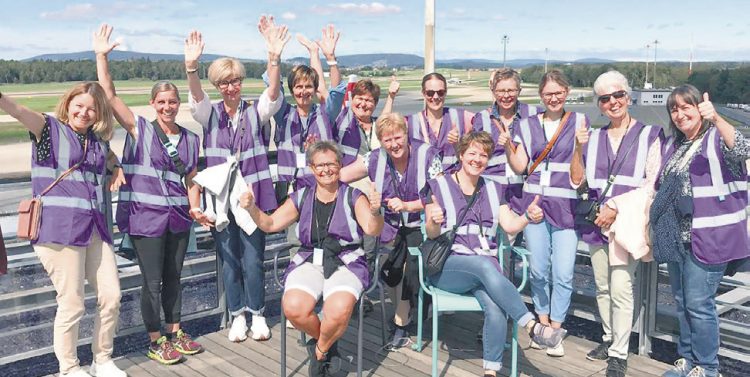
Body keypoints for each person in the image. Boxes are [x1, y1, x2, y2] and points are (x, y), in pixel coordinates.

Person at [94, 24, 203, 364]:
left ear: (178, 103)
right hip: (146, 220)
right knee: (152, 281)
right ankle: (156, 339)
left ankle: (175, 331)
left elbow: (192, 181)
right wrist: (102, 57)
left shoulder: (190, 139)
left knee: (175, 278)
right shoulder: (140, 129)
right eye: (162, 102)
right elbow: (109, 96)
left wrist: (196, 208)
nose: (168, 107)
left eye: (173, 101)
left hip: (180, 220)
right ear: (152, 103)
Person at [0, 83, 126, 377]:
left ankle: (102, 359)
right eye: (79, 105)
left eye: (91, 108)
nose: (84, 112)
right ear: (68, 104)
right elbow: (17, 111)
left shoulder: (95, 141)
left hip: (93, 228)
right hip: (58, 230)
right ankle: (69, 368)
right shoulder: (47, 129)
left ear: (98, 114)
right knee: (72, 302)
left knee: (112, 295)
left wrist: (117, 166)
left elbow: (108, 157)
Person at [422, 131, 567, 377]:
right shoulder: (438, 185)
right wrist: (434, 221)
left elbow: (509, 225)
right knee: (484, 265)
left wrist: (527, 218)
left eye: (483, 155)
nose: (477, 159)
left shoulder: (492, 188)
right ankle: (532, 326)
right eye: (472, 153)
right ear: (461, 155)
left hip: (483, 271)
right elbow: (432, 233)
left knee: (496, 307)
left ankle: (491, 371)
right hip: (447, 267)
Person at [184, 16, 290, 342]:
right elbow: (196, 97)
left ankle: (258, 313)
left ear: (242, 82)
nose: (231, 88)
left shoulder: (254, 112)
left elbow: (273, 94)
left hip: (251, 197)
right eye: (224, 83)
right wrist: (191, 68)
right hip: (221, 200)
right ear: (218, 86)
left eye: (236, 81)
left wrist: (273, 59)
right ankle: (237, 314)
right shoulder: (209, 114)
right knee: (229, 260)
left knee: (254, 258)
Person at [240, 141, 384, 377]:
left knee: (337, 310)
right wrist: (252, 208)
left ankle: (319, 352)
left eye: (332, 164)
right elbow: (270, 224)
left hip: (346, 260)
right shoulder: (302, 195)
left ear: (340, 165)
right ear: (311, 168)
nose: (326, 169)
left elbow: (372, 228)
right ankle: (328, 343)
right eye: (320, 165)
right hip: (310, 259)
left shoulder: (354, 196)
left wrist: (376, 212)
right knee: (293, 308)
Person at [569, 71, 664, 377]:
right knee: (601, 286)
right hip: (597, 223)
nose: (613, 102)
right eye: (605, 98)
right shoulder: (594, 137)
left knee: (622, 287)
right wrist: (578, 147)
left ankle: (619, 353)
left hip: (627, 223)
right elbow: (577, 180)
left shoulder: (651, 135)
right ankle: (609, 338)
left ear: (629, 96)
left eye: (618, 95)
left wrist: (615, 206)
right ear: (599, 103)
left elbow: (653, 184)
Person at [653, 85, 750, 377]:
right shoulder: (675, 145)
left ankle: (708, 367)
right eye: (674, 109)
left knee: (699, 303)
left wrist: (718, 119)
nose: (680, 114)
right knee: (683, 302)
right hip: (678, 238)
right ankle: (687, 360)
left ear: (699, 108)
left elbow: (742, 149)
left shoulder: (715, 139)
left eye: (686, 107)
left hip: (710, 237)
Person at [339, 112, 442, 349]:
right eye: (387, 140)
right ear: (381, 142)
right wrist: (359, 202)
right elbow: (341, 176)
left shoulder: (427, 155)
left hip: (423, 226)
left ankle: (401, 322)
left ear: (407, 134)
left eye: (398, 137)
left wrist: (409, 205)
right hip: (392, 227)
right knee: (391, 271)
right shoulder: (373, 159)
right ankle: (402, 315)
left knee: (410, 270)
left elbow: (440, 196)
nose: (394, 144)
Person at [506, 69, 589, 356]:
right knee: (540, 270)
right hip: (535, 205)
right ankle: (542, 324)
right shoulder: (527, 125)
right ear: (540, 96)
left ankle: (556, 328)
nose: (553, 98)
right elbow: (520, 166)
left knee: (564, 272)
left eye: (558, 92)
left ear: (566, 92)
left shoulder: (578, 121)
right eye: (547, 93)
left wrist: (579, 147)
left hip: (566, 208)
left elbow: (579, 176)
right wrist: (507, 144)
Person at [268, 20, 346, 193]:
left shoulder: (325, 114)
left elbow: (338, 92)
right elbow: (273, 88)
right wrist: (274, 56)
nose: (303, 91)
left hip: (321, 186)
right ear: (292, 89)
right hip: (288, 188)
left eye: (308, 86)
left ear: (315, 89)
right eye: (298, 87)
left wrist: (331, 59)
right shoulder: (284, 113)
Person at [472, 68, 542, 215]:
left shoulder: (534, 115)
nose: (506, 96)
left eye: (511, 90)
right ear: (493, 91)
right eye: (500, 91)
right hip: (492, 193)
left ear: (519, 90)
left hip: (525, 193)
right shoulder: (482, 118)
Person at [396, 73, 474, 173]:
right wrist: (391, 97)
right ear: (423, 93)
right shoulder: (410, 122)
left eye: (440, 92)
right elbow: (383, 128)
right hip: (423, 185)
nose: (436, 97)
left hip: (453, 184)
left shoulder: (462, 117)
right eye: (430, 93)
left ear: (446, 93)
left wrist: (459, 144)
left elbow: (488, 122)